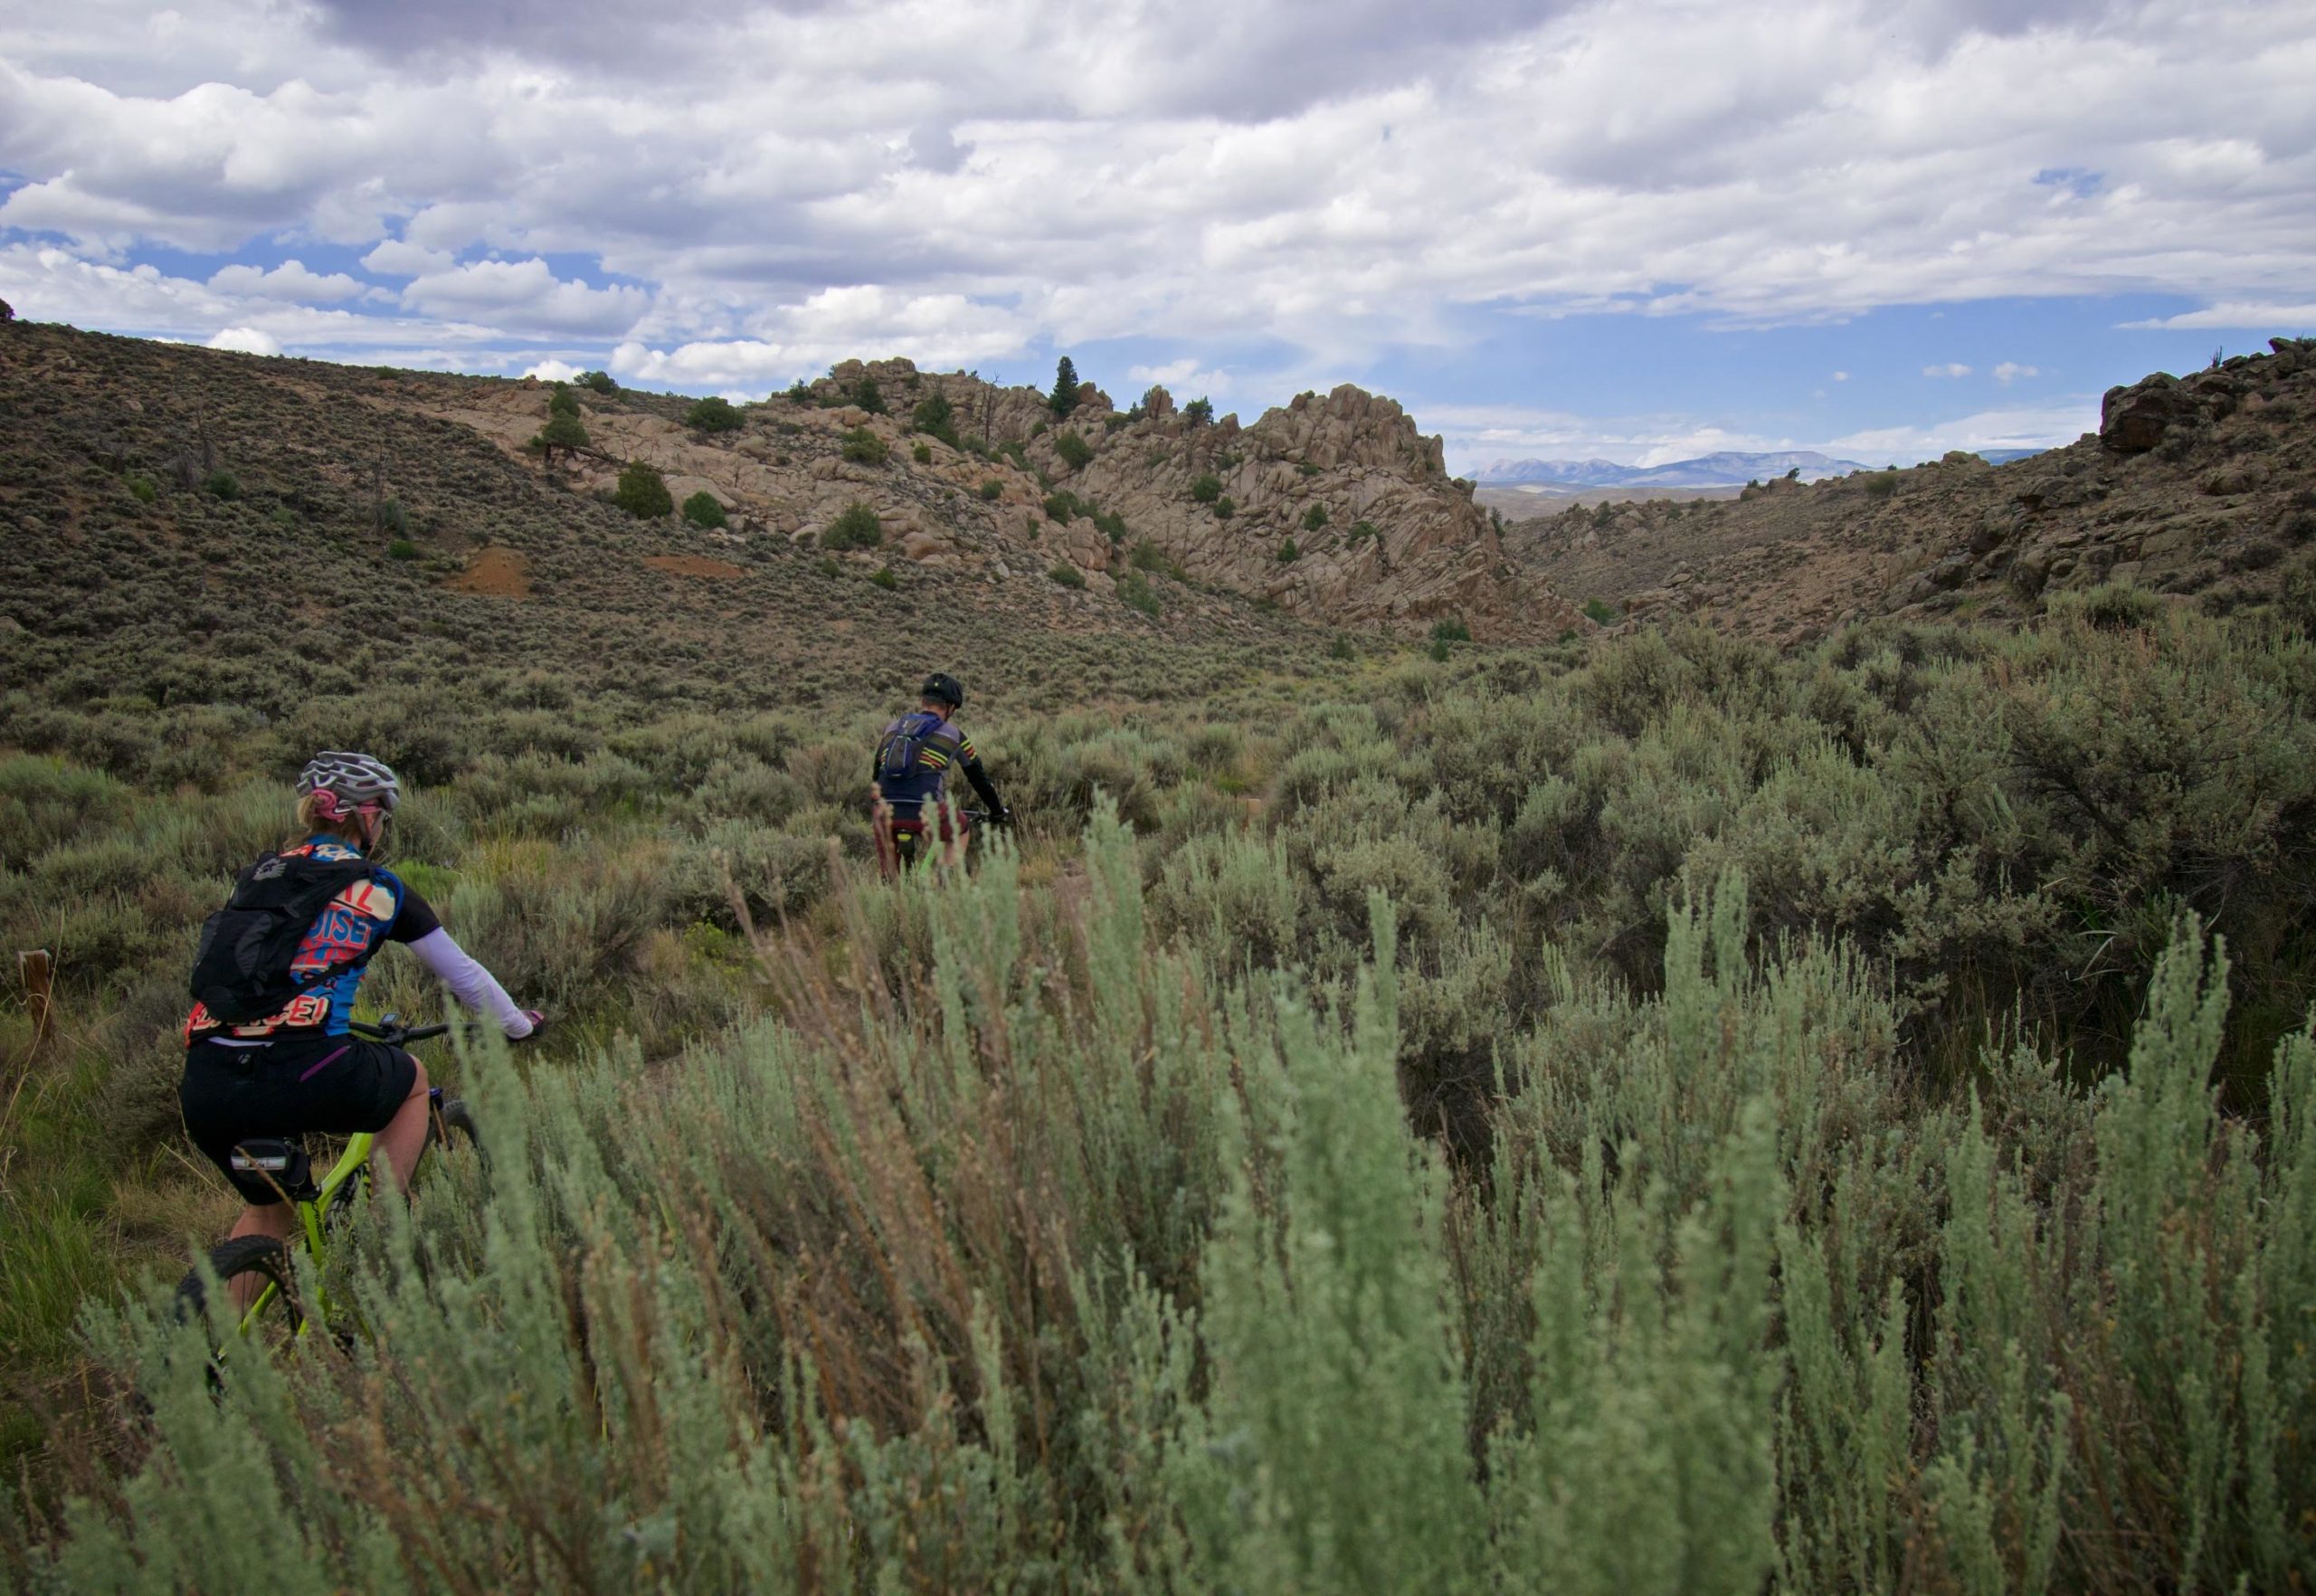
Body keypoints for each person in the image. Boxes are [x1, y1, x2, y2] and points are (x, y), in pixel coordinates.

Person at [180, 751, 538, 1257]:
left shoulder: (257, 877)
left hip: (207, 1074)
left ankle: (218, 1332)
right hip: (307, 1066)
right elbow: (464, 974)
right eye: (383, 818)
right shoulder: (379, 885)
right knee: (412, 1083)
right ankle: (379, 1239)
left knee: (267, 1212)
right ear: (367, 816)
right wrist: (519, 1026)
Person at [870, 672, 1010, 870]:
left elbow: (876, 775)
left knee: (890, 874)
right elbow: (978, 779)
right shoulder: (955, 735)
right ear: (951, 707)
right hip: (928, 812)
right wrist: (996, 810)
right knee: (960, 828)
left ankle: (888, 892)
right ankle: (944, 879)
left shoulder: (891, 729)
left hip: (884, 811)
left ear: (922, 701)